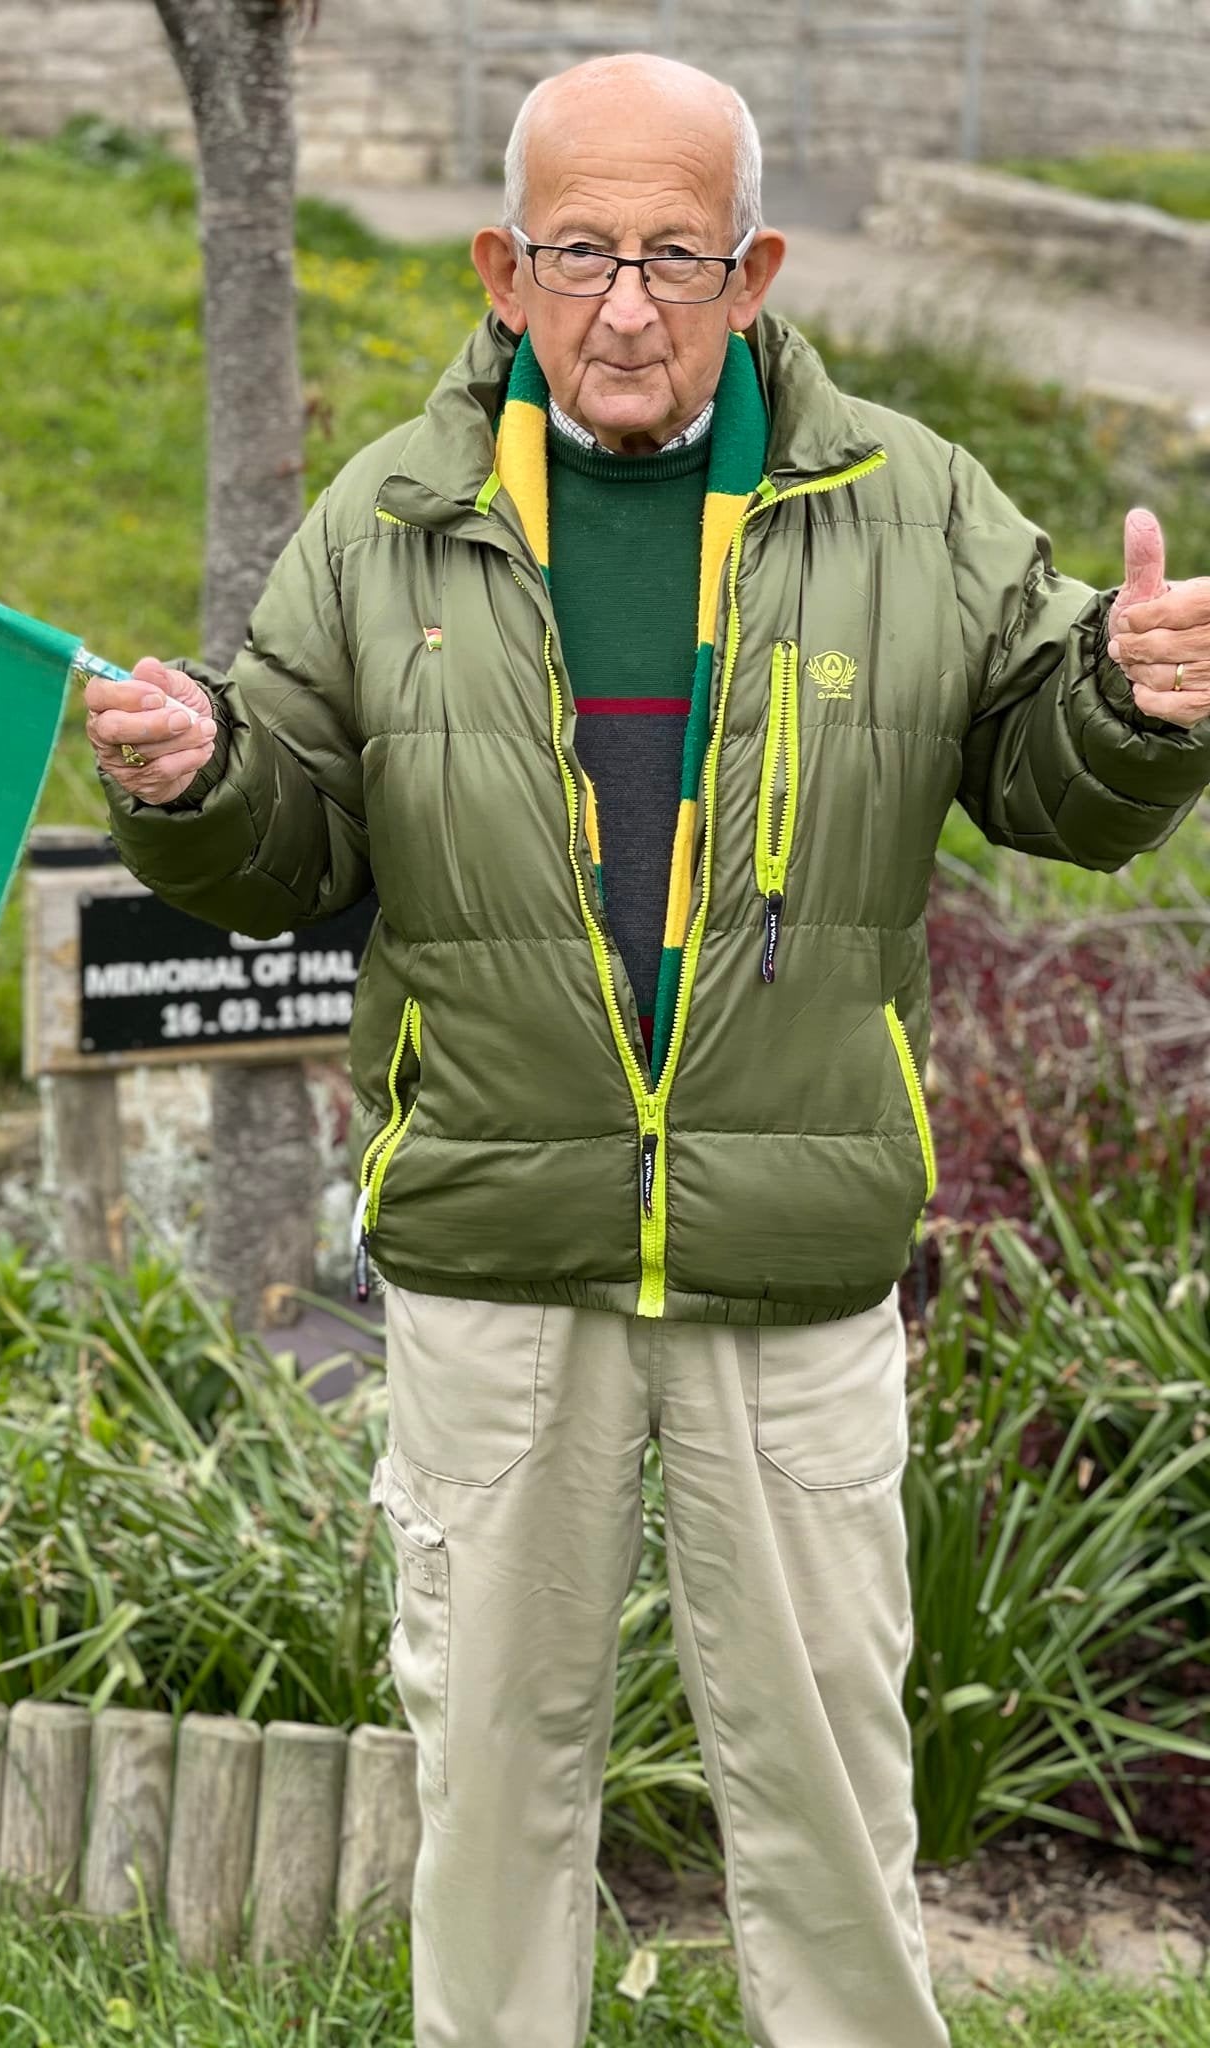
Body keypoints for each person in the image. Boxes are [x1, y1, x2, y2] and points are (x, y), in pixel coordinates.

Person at [85, 52, 1210, 2048]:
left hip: (788, 1255)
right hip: (493, 1254)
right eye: (583, 252)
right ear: (504, 271)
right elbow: (287, 842)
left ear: (756, 268)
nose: (626, 304)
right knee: (493, 1788)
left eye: (676, 256)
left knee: (831, 1793)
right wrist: (197, 780)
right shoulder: (389, 519)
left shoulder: (909, 500)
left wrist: (1131, 703)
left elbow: (1053, 785)